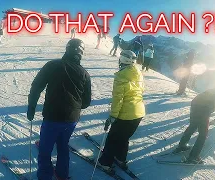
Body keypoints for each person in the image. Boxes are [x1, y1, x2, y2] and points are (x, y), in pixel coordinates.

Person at [27, 38, 92, 180]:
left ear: (67, 49)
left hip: (52, 117)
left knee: (45, 151)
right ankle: (62, 174)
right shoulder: (84, 73)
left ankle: (45, 176)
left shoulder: (53, 65)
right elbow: (86, 102)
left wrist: (31, 107)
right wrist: (73, 107)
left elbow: (36, 87)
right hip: (71, 119)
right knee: (63, 145)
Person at [98, 50, 146, 170]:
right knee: (124, 138)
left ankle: (105, 163)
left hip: (126, 114)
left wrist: (113, 116)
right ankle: (120, 158)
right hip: (139, 112)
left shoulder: (121, 76)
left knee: (112, 139)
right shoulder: (138, 73)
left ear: (122, 60)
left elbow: (118, 99)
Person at [173, 88, 215, 164]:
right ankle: (193, 157)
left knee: (192, 126)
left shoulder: (213, 90)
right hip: (204, 109)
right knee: (203, 134)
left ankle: (182, 146)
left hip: (195, 104)